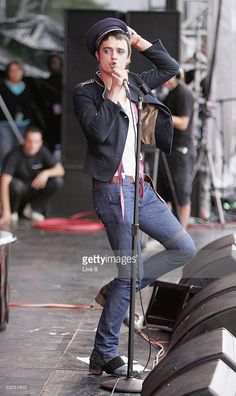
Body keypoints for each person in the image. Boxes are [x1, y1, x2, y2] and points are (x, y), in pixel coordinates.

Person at [73, 18, 196, 376]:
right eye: (107, 51)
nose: (114, 57)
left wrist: (138, 40)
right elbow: (97, 134)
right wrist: (112, 92)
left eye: (120, 51)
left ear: (128, 56)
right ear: (98, 55)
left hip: (141, 188)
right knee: (132, 272)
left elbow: (170, 67)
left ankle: (116, 289)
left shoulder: (138, 83)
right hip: (112, 191)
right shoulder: (87, 91)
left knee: (183, 248)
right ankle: (104, 352)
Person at [0, 125, 64, 225]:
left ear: (41, 143)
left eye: (36, 142)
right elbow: (4, 181)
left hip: (33, 188)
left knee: (57, 181)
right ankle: (12, 211)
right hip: (17, 191)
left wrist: (45, 173)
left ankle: (34, 209)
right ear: (24, 141)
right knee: (16, 185)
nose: (33, 145)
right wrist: (6, 210)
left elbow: (60, 170)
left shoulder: (42, 151)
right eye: (30, 141)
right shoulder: (14, 155)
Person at [156, 73, 195, 228]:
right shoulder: (168, 94)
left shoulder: (183, 93)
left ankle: (182, 233)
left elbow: (184, 123)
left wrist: (161, 116)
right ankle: (170, 232)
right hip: (168, 149)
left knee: (181, 193)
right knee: (165, 193)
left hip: (181, 150)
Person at [0, 61, 33, 170]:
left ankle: (18, 172)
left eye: (18, 70)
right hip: (5, 124)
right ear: (8, 72)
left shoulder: (27, 87)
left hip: (23, 124)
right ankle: (3, 174)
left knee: (20, 148)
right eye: (12, 70)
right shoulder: (2, 86)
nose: (15, 73)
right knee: (6, 149)